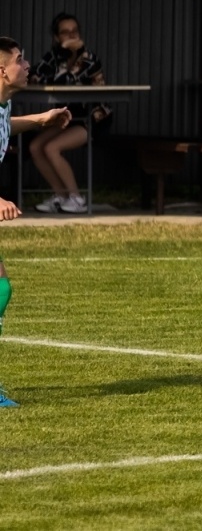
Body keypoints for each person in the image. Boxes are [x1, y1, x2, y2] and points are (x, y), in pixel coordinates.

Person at [0, 37, 73, 407]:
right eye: (20, 60)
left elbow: (3, 125)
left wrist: (41, 120)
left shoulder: (3, 103)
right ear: (2, 71)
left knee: (0, 290)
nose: (27, 66)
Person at [27, 12, 109, 214]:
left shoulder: (89, 59)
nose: (71, 36)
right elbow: (34, 77)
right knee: (36, 146)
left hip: (93, 118)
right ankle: (61, 197)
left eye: (75, 31)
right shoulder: (53, 57)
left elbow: (64, 82)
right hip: (69, 116)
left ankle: (77, 199)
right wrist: (52, 71)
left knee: (52, 148)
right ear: (56, 37)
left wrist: (54, 75)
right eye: (65, 32)